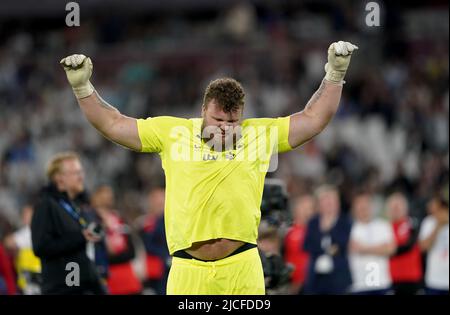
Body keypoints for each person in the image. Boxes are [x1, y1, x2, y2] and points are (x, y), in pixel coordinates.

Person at [60, 40, 358, 295]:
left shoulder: (258, 134)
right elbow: (113, 123)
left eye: (232, 122)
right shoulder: (173, 133)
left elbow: (313, 119)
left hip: (241, 266)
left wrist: (335, 73)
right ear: (203, 111)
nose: (226, 129)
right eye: (218, 120)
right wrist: (83, 87)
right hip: (188, 270)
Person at [30, 152, 106, 294]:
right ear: (59, 178)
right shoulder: (46, 205)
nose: (81, 176)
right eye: (75, 172)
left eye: (81, 172)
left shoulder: (75, 206)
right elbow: (40, 246)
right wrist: (80, 237)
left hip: (83, 283)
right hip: (63, 287)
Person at [91, 185, 142, 295]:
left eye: (109, 195)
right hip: (107, 280)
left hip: (127, 278)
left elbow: (131, 251)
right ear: (95, 197)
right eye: (103, 194)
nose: (107, 198)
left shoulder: (119, 218)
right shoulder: (90, 219)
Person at [303, 185, 353, 295]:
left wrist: (328, 229)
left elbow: (343, 244)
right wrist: (329, 248)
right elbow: (307, 245)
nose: (329, 203)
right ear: (319, 204)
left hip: (338, 278)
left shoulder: (345, 221)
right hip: (316, 279)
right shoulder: (313, 222)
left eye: (332, 200)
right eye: (325, 200)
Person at [349, 192, 396, 295]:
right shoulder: (349, 228)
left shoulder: (383, 225)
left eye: (365, 204)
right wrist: (379, 248)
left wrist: (363, 249)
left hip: (382, 283)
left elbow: (390, 249)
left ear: (371, 206)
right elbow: (351, 248)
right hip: (359, 285)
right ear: (354, 208)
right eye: (359, 205)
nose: (363, 208)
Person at [386, 192, 422, 295]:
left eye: (398, 206)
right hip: (392, 279)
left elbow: (409, 245)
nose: (396, 209)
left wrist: (387, 250)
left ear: (405, 208)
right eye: (393, 206)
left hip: (411, 279)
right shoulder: (384, 227)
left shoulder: (412, 224)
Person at [137, 187, 170, 295]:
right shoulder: (147, 222)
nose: (160, 202)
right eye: (156, 199)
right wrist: (166, 256)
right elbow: (148, 245)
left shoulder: (171, 219)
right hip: (157, 268)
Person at [4, 204, 42, 295]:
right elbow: (8, 242)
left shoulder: (38, 231)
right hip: (27, 278)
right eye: (24, 215)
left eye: (28, 214)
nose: (25, 217)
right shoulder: (24, 232)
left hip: (39, 276)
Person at [283, 194, 315, 294]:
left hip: (312, 282)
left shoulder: (316, 230)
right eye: (304, 207)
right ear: (296, 209)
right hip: (292, 284)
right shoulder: (288, 230)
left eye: (310, 208)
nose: (307, 211)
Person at [418, 193, 449, 295]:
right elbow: (423, 247)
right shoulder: (428, 222)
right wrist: (438, 226)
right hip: (434, 280)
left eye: (433, 206)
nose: (430, 209)